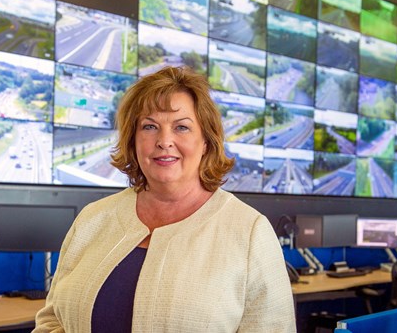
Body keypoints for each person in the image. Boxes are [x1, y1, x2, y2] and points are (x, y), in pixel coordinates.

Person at [34, 66, 296, 332]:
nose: (164, 140)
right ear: (133, 140)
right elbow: (52, 321)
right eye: (149, 126)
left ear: (205, 141)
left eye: (181, 127)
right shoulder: (93, 218)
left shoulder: (249, 231)